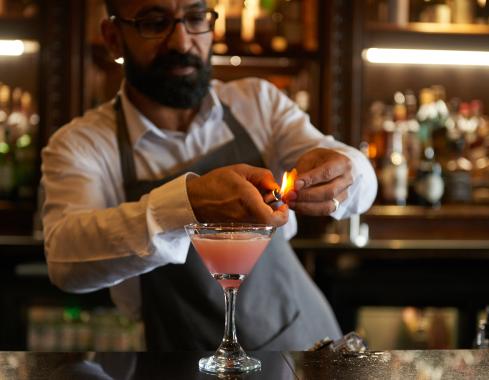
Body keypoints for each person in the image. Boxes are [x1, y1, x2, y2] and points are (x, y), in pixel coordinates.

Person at [41, 0, 377, 351]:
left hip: (304, 349)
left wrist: (346, 170)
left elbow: (362, 181)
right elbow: (66, 261)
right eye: (155, 23)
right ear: (113, 37)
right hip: (183, 364)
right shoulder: (81, 145)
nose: (181, 42)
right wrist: (187, 204)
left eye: (195, 17)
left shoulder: (258, 103)